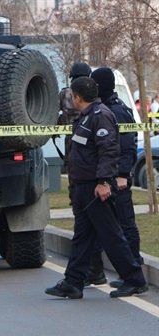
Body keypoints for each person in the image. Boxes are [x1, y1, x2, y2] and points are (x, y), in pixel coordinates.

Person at [45, 77, 148, 299]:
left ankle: (135, 279)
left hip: (95, 187)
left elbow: (109, 151)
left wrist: (103, 182)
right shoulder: (86, 117)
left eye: (71, 95)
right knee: (82, 238)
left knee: (111, 235)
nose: (70, 98)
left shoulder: (101, 116)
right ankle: (73, 282)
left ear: (77, 97)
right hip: (83, 187)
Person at [90, 67, 143, 287]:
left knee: (125, 225)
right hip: (108, 176)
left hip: (118, 179)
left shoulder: (117, 110)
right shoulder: (104, 108)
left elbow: (127, 145)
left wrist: (122, 174)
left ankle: (134, 271)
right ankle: (125, 273)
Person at [57, 62, 92, 169]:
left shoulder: (65, 94)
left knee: (73, 171)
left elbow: (52, 113)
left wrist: (55, 128)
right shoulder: (93, 92)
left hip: (71, 139)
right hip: (90, 138)